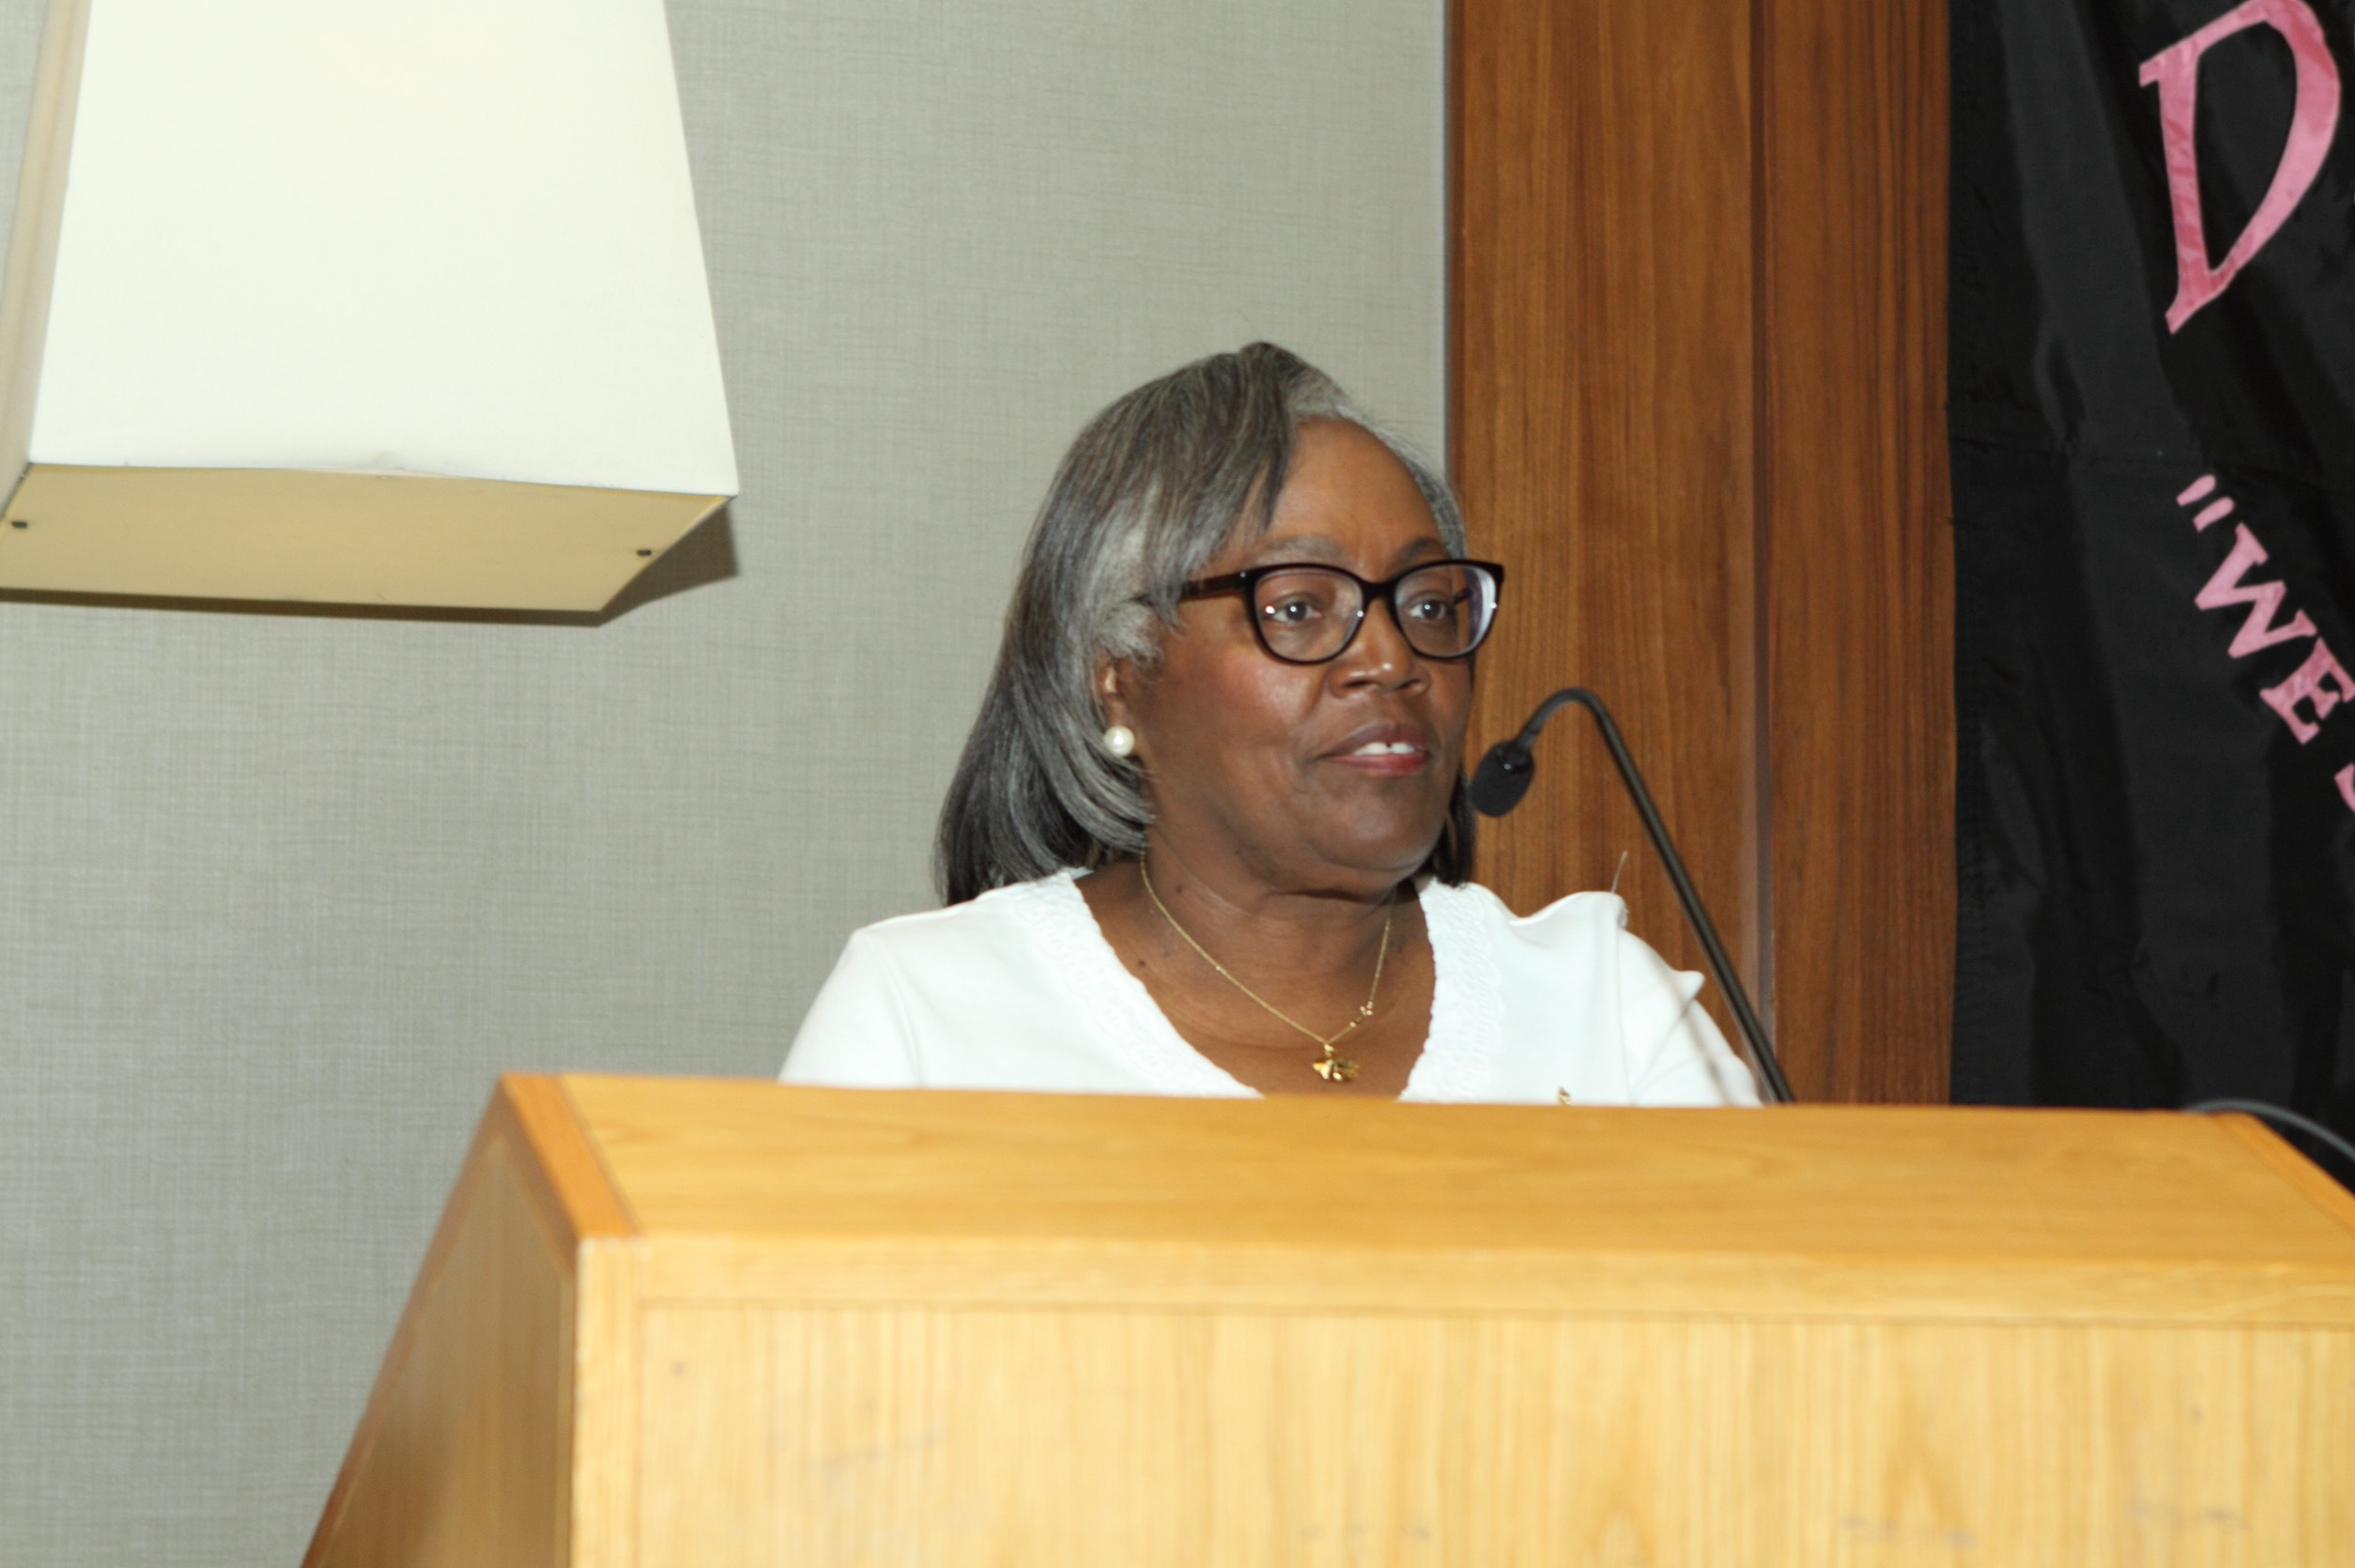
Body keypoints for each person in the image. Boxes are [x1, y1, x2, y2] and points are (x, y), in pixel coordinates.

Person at [783, 344, 1758, 1105]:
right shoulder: (926, 1018)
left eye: (1428, 603)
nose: (1392, 658)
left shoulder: (1609, 1013)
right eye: (1298, 607)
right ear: (1118, 674)